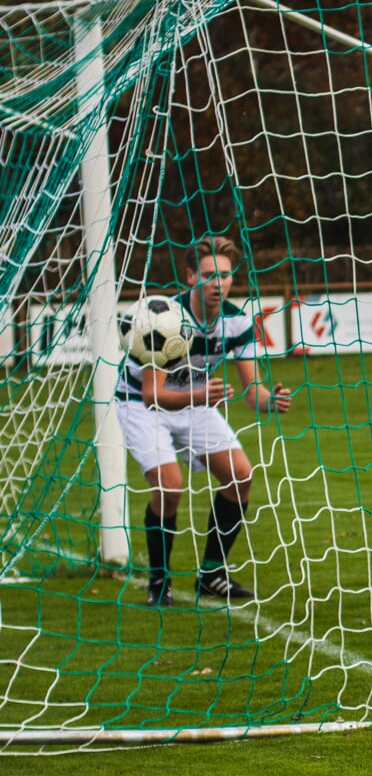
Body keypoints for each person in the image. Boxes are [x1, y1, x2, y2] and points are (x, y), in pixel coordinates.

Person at [116, 235, 292, 607]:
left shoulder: (237, 321)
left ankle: (211, 574)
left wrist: (269, 401)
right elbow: (152, 395)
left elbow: (252, 392)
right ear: (191, 276)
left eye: (225, 276)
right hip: (141, 404)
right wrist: (200, 396)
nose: (219, 283)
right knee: (170, 486)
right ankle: (159, 583)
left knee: (240, 475)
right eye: (210, 275)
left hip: (195, 400)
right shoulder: (164, 317)